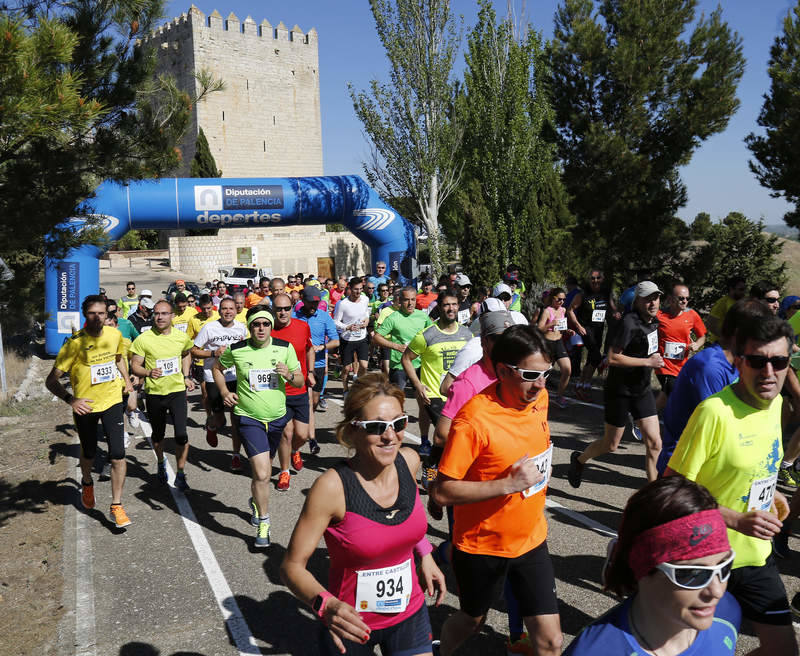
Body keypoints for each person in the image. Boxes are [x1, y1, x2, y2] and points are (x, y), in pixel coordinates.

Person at [280, 373, 445, 655]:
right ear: (352, 430)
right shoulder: (332, 488)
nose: (390, 436)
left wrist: (425, 554)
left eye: (398, 423)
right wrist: (325, 604)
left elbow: (405, 516)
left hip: (410, 613)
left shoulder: (409, 461)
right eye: (377, 426)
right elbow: (291, 566)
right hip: (350, 624)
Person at [666, 313, 798, 655]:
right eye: (757, 361)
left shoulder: (777, 405)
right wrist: (736, 519)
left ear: (789, 362)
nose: (769, 373)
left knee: (783, 650)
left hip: (756, 557)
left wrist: (772, 491)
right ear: (739, 361)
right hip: (708, 558)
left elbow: (752, 468)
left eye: (779, 361)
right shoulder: (715, 412)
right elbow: (672, 488)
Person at [430, 324, 562, 656]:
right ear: (503, 371)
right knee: (472, 620)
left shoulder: (540, 398)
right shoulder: (474, 420)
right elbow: (442, 493)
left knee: (550, 641)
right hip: (482, 546)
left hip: (531, 538)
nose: (541, 384)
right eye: (531, 374)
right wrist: (508, 484)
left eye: (547, 373)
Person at [564, 476, 740, 655]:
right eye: (693, 574)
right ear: (642, 568)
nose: (717, 591)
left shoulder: (726, 611)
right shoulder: (593, 651)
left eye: (724, 566)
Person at [214, 306, 303, 547]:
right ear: (250, 327)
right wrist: (224, 391)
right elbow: (217, 368)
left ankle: (255, 501)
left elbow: (300, 379)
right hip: (249, 418)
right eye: (256, 324)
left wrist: (289, 375)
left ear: (271, 326)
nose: (260, 328)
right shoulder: (238, 349)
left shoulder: (284, 349)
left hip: (276, 419)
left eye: (265, 324)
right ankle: (264, 521)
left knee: (262, 473)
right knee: (263, 473)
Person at [45, 295, 134, 527]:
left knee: (118, 453)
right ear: (86, 315)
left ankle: (117, 505)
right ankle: (86, 482)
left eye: (101, 313)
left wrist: (127, 381)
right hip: (86, 406)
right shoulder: (74, 344)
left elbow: (118, 358)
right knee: (89, 453)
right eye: (92, 313)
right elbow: (51, 381)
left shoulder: (115, 335)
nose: (97, 318)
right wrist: (70, 400)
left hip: (113, 400)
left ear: (108, 315)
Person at [655, 299, 766, 477]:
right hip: (684, 469)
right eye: (761, 333)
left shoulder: (737, 363)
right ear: (740, 333)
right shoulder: (710, 367)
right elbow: (718, 426)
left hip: (708, 464)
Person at [568, 281, 664, 487]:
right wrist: (648, 361)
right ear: (637, 300)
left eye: (655, 298)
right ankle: (579, 459)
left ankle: (652, 497)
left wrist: (655, 356)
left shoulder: (654, 322)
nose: (653, 303)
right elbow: (612, 358)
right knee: (610, 445)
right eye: (648, 298)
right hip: (619, 391)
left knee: (655, 443)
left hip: (642, 389)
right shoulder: (629, 322)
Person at [129, 300, 196, 491]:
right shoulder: (144, 339)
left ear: (172, 316)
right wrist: (148, 373)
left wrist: (186, 376)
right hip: (154, 393)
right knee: (158, 436)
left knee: (181, 434)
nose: (159, 317)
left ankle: (181, 473)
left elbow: (186, 354)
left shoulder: (180, 337)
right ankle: (160, 463)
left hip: (176, 391)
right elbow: (135, 365)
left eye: (164, 313)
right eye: (156, 314)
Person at [401, 289, 472, 457]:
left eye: (454, 304)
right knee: (447, 435)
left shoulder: (467, 334)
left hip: (459, 394)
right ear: (439, 307)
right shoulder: (427, 334)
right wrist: (418, 385)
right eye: (446, 305)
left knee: (449, 437)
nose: (451, 308)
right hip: (434, 394)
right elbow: (406, 359)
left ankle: (432, 466)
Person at [191, 298, 247, 469]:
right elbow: (193, 350)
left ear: (236, 310)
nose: (228, 311)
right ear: (219, 310)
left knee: (236, 420)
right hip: (213, 377)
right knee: (220, 419)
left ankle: (236, 455)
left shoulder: (241, 328)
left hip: (235, 377)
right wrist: (213, 353)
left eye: (231, 308)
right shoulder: (209, 327)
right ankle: (212, 426)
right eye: (224, 308)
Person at [271, 293, 316, 491]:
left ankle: (296, 451)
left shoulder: (302, 326)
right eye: (278, 309)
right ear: (273, 310)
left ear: (292, 308)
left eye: (286, 308)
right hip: (278, 391)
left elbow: (309, 349)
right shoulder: (266, 330)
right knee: (286, 434)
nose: (282, 312)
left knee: (302, 434)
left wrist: (311, 371)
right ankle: (284, 472)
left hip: (299, 388)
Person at [566, 269, 620, 400]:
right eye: (592, 278)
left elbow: (612, 309)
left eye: (598, 278)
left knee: (592, 358)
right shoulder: (583, 294)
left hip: (599, 328)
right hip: (586, 328)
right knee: (596, 356)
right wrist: (578, 326)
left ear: (602, 279)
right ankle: (585, 384)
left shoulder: (605, 293)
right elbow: (570, 310)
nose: (595, 281)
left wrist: (616, 314)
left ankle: (581, 385)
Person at [655, 283, 707, 411]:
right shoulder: (659, 315)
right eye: (681, 298)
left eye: (687, 298)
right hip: (663, 365)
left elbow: (703, 336)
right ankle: (644, 419)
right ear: (671, 298)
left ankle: (645, 416)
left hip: (681, 365)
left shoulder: (692, 315)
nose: (685, 301)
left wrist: (697, 344)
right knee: (672, 390)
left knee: (671, 396)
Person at [333, 277, 371, 396]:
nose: (358, 292)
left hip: (362, 337)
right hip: (347, 339)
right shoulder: (342, 304)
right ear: (349, 288)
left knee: (364, 366)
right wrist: (347, 327)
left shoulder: (365, 299)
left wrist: (367, 320)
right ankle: (345, 389)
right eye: (356, 289)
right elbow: (336, 322)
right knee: (346, 369)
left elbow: (366, 313)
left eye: (360, 289)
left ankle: (359, 387)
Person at [537, 287, 574, 408]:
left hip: (559, 342)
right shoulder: (547, 311)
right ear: (553, 298)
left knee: (567, 369)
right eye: (559, 299)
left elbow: (561, 327)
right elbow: (539, 329)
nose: (562, 302)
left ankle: (559, 396)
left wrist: (568, 331)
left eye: (564, 299)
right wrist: (551, 324)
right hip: (547, 343)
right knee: (544, 373)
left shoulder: (563, 310)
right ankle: (538, 397)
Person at [706, 275, 747, 342]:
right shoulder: (722, 303)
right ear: (731, 289)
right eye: (741, 289)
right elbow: (710, 324)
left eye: (745, 289)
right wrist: (725, 338)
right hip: (721, 345)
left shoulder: (744, 302)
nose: (744, 292)